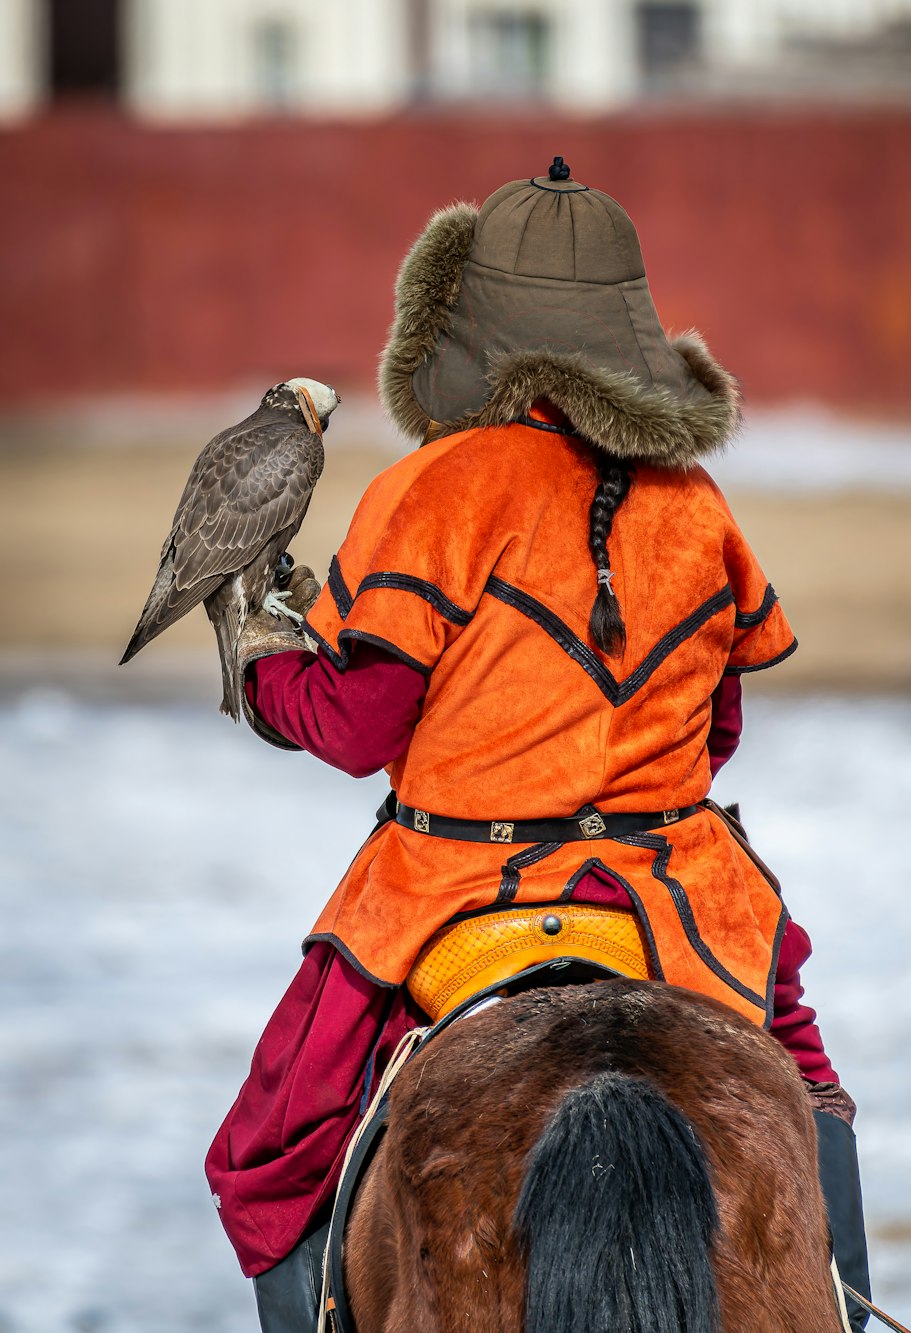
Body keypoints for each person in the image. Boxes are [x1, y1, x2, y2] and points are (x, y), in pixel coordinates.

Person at [206, 160, 870, 1331]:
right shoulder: (696, 502)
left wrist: (266, 674)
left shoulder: (429, 491)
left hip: (446, 889)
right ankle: (847, 1306)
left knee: (267, 1149)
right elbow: (717, 724)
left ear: (473, 330)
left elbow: (362, 728)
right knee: (805, 1095)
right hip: (678, 893)